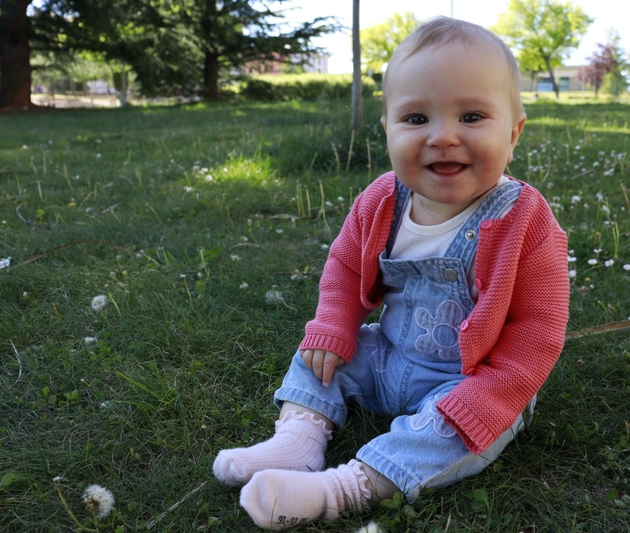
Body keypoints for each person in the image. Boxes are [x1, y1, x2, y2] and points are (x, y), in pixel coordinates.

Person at [212, 16, 570, 530]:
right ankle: (297, 441)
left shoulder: (525, 221)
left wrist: (493, 394)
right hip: (390, 356)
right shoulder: (383, 200)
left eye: (471, 116)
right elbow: (344, 266)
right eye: (416, 118)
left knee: (459, 428)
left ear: (513, 134)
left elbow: (538, 329)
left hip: (471, 381)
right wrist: (333, 326)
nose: (443, 137)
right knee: (321, 354)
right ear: (387, 130)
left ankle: (345, 488)